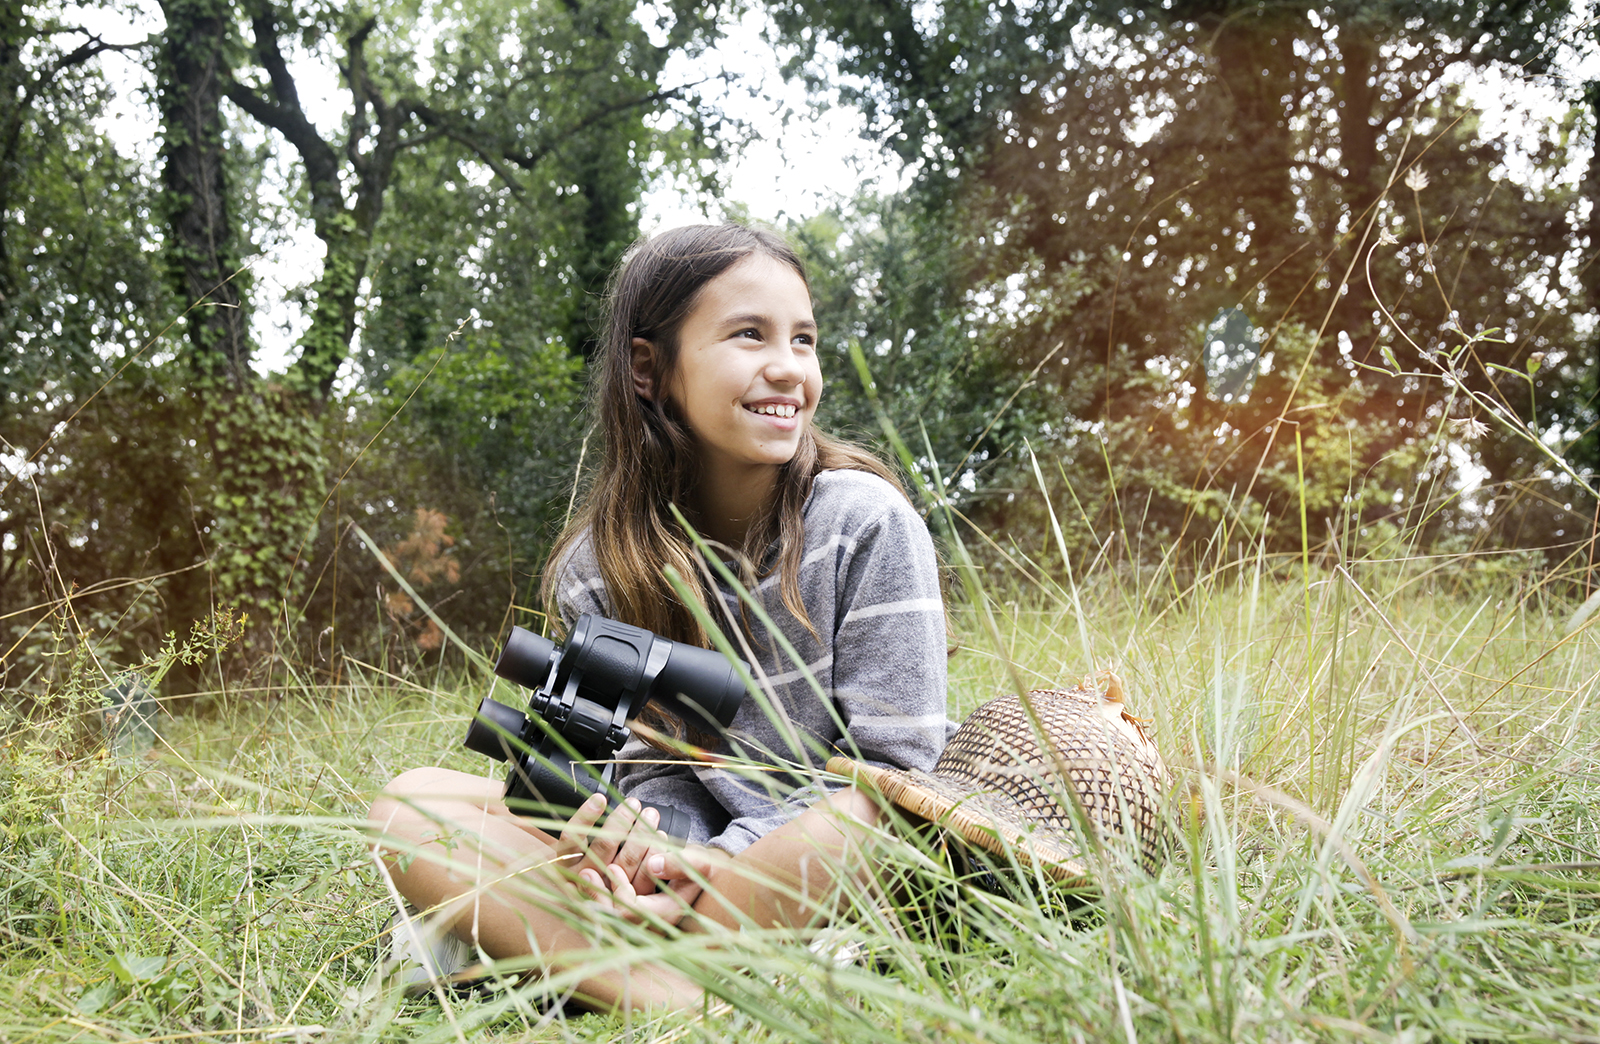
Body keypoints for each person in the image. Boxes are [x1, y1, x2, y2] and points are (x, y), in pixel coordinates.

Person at [367, 223, 949, 1012]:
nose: (788, 367)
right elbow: (625, 774)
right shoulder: (599, 565)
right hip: (670, 863)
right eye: (749, 335)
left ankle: (595, 970)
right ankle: (676, 987)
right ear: (650, 368)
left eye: (804, 339)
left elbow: (902, 777)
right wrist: (616, 848)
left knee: (869, 821)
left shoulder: (864, 522)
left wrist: (725, 862)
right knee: (412, 804)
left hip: (802, 854)